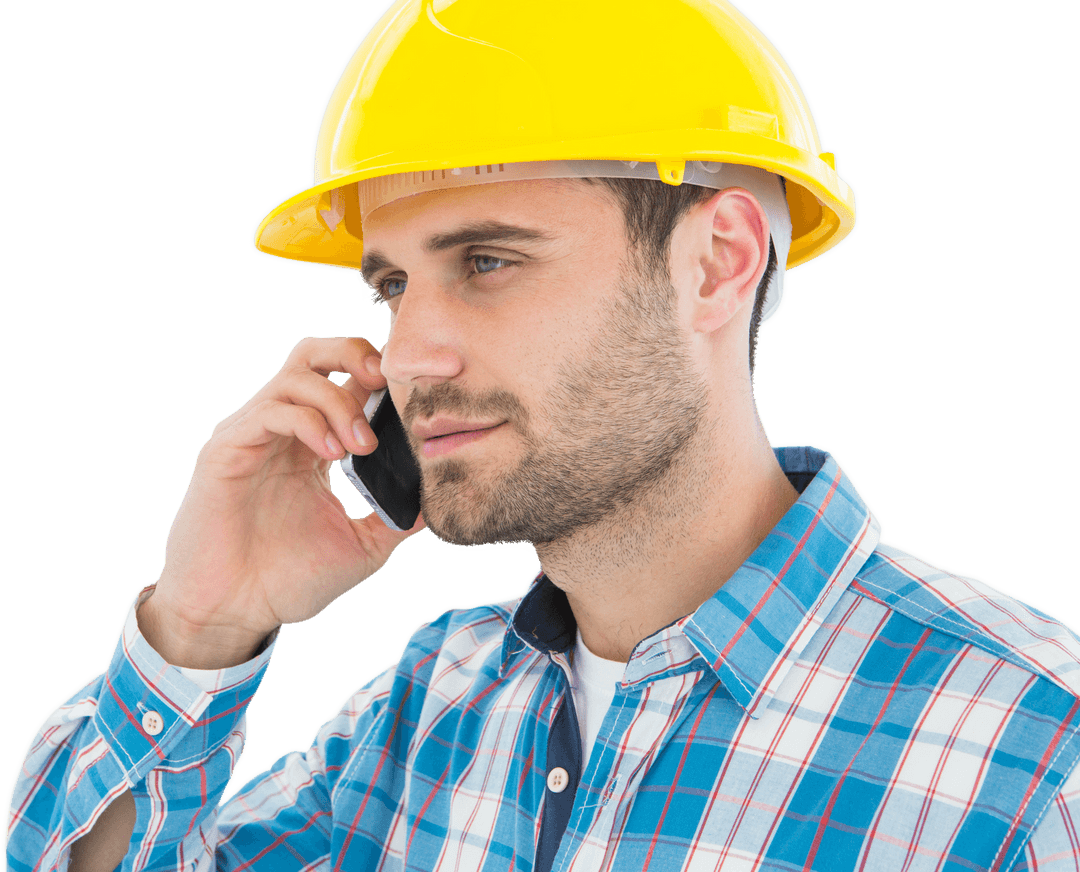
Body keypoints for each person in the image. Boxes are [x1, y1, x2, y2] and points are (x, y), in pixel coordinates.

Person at [6, 0, 1079, 869]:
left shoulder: (1034, 751)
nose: (412, 354)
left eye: (487, 261)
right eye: (391, 283)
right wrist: (204, 623)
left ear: (717, 262)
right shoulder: (419, 714)